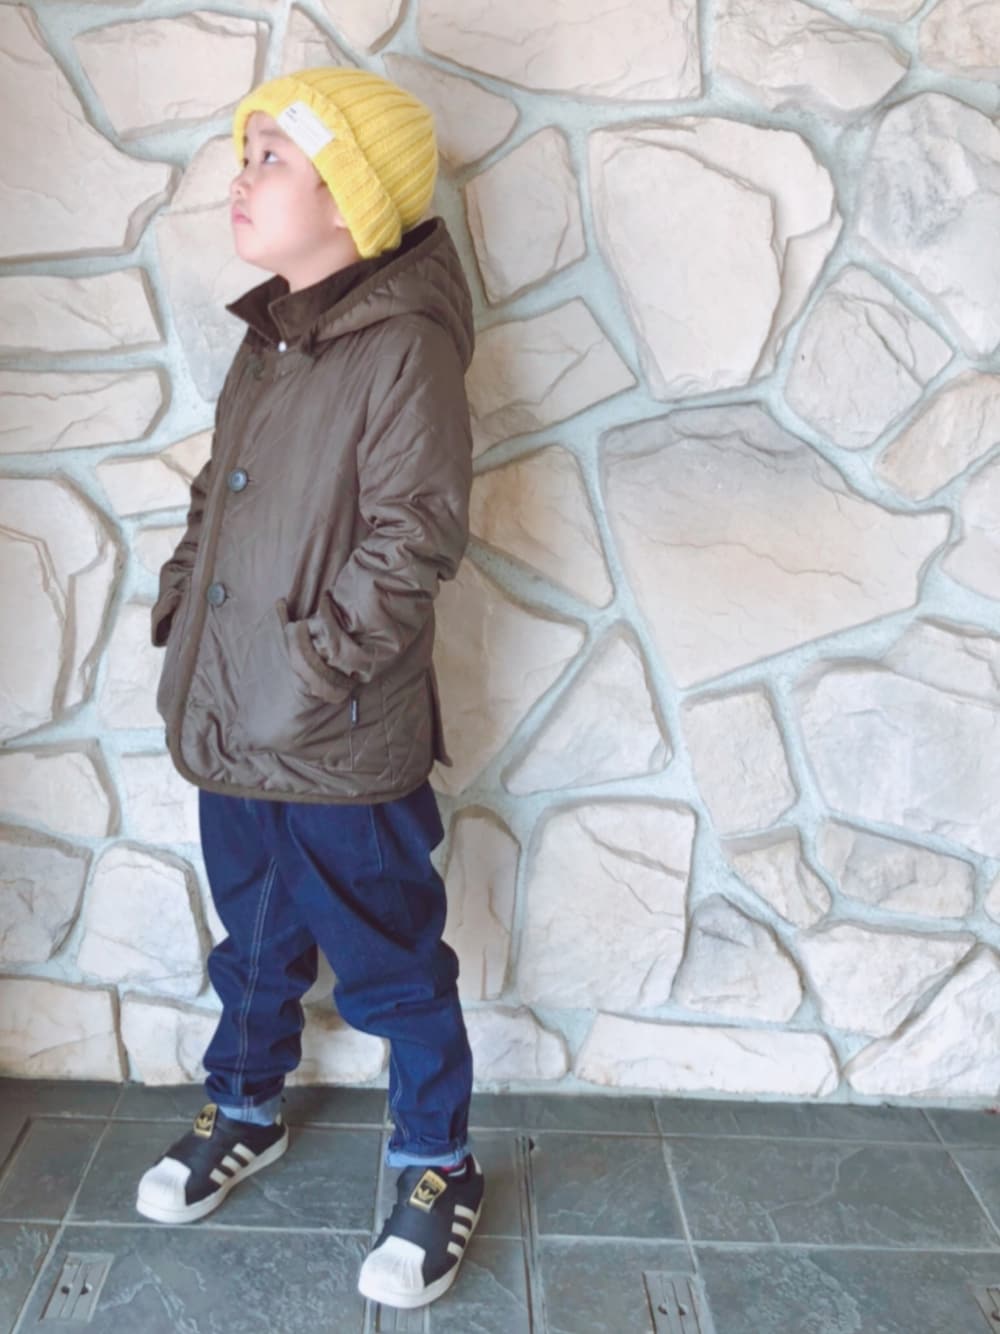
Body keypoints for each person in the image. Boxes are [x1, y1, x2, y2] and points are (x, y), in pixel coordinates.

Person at [134, 66, 482, 1312]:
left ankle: (437, 1157)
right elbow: (213, 496)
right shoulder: (271, 337)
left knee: (389, 960)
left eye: (272, 156)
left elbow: (411, 542)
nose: (242, 177)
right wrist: (181, 604)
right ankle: (243, 1105)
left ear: (350, 193)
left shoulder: (403, 348)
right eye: (247, 153)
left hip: (333, 736)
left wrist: (304, 672)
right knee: (257, 938)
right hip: (233, 720)